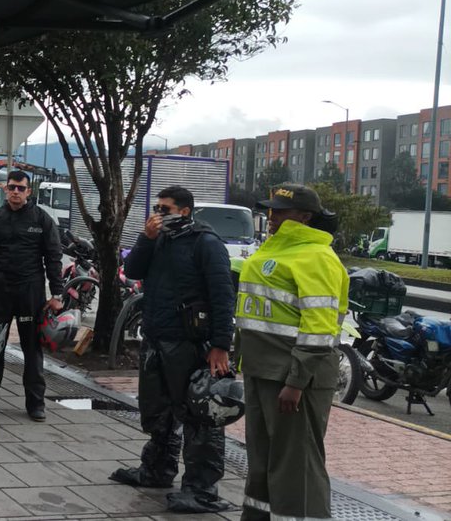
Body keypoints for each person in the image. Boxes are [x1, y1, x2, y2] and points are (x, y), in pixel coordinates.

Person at [109, 185, 236, 514]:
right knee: (157, 410)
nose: (157, 214)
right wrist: (146, 238)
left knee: (198, 416)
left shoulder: (206, 244)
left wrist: (221, 345)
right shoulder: (160, 239)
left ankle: (202, 490)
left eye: (164, 209)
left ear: (184, 211)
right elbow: (134, 271)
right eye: (156, 207)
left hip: (190, 343)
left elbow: (223, 297)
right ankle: (156, 470)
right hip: (157, 337)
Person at [236, 184, 347, 521]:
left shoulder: (317, 257)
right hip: (260, 371)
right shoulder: (273, 250)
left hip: (293, 378)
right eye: (270, 210)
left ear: (304, 216)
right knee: (263, 463)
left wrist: (296, 382)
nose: (271, 217)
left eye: (280, 211)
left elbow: (319, 327)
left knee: (296, 468)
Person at [0, 170, 63, 422]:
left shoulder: (41, 219)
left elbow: (53, 258)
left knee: (32, 349)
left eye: (20, 188)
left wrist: (56, 294)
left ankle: (36, 404)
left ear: (28, 191)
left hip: (30, 292)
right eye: (11, 187)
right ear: (5, 189)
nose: (15, 192)